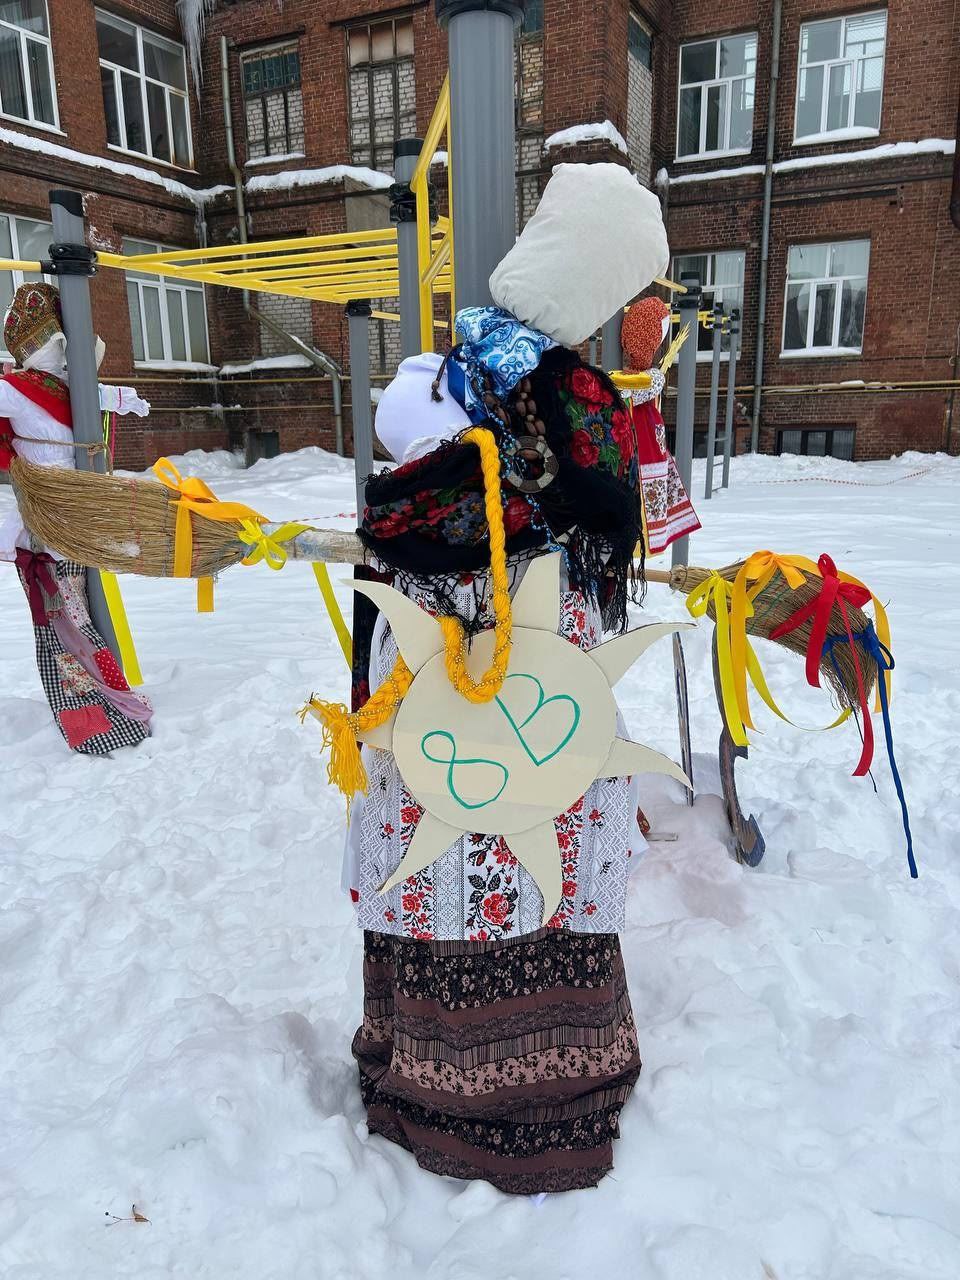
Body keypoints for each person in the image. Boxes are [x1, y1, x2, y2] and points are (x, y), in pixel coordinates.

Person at [331, 164, 674, 1193]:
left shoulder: (452, 367)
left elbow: (406, 467)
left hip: (456, 663)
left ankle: (439, 1069)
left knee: (475, 824)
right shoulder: (565, 398)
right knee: (533, 830)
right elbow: (594, 518)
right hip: (519, 661)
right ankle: (537, 1077)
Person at [1, 282, 153, 754]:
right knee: (67, 614)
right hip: (49, 517)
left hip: (74, 510)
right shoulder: (16, 389)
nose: (62, 353)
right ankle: (100, 711)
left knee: (71, 611)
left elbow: (106, 397)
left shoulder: (70, 387)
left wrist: (123, 399)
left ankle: (105, 707)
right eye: (54, 345)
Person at [620, 296, 701, 556]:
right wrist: (655, 379)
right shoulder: (636, 384)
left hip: (649, 460)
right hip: (639, 463)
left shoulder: (644, 382)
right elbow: (644, 385)